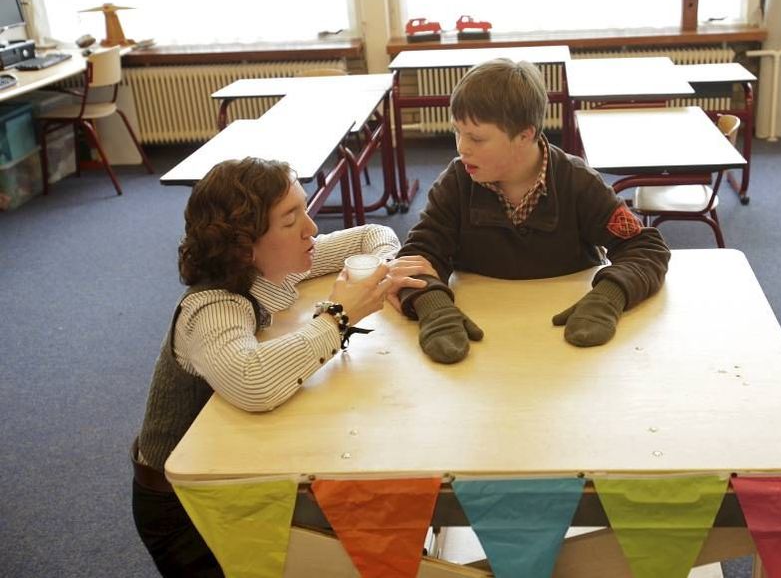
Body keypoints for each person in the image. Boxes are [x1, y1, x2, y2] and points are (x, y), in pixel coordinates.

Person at [131, 157, 434, 576]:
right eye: (292, 220)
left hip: (231, 474)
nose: (311, 229)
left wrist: (385, 268)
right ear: (244, 243)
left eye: (305, 210)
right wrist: (337, 316)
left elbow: (374, 234)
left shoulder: (274, 269)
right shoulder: (211, 307)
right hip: (186, 507)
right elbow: (254, 382)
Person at [396, 58, 671, 364]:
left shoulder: (577, 182)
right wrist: (432, 304)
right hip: (487, 345)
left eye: (476, 137)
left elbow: (644, 247)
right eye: (457, 132)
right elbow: (416, 257)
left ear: (525, 135)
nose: (462, 147)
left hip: (567, 345)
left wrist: (609, 296)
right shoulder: (457, 181)